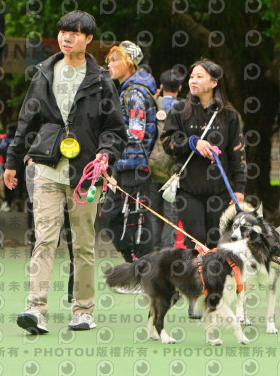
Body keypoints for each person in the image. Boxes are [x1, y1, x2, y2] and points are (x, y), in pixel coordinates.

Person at [4, 10, 127, 334]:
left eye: (75, 33)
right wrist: (12, 161)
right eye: (62, 31)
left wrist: (105, 155)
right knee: (44, 240)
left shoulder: (101, 80)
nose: (67, 37)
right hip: (46, 169)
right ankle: (35, 309)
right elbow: (27, 121)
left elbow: (115, 129)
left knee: (83, 245)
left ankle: (83, 311)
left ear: (88, 39)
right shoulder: (44, 73)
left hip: (86, 175)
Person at [161, 59, 246, 250]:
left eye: (199, 77)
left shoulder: (229, 115)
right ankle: (195, 271)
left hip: (220, 191)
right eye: (192, 76)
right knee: (196, 241)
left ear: (214, 82)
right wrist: (192, 143)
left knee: (217, 242)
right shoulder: (179, 110)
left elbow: (237, 153)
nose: (193, 81)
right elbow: (167, 142)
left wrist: (239, 188)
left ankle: (214, 271)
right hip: (188, 190)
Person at [100, 41, 157, 262]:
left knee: (137, 219)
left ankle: (143, 266)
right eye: (109, 60)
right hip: (124, 165)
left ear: (129, 62)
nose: (110, 64)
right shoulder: (127, 89)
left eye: (115, 59)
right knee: (111, 216)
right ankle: (134, 262)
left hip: (135, 166)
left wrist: (108, 135)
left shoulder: (134, 92)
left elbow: (137, 132)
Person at [148, 69, 184, 249]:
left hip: (152, 164)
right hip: (173, 168)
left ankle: (153, 250)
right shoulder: (183, 107)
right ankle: (167, 251)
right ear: (180, 87)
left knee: (153, 212)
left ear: (161, 86)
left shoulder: (153, 104)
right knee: (171, 215)